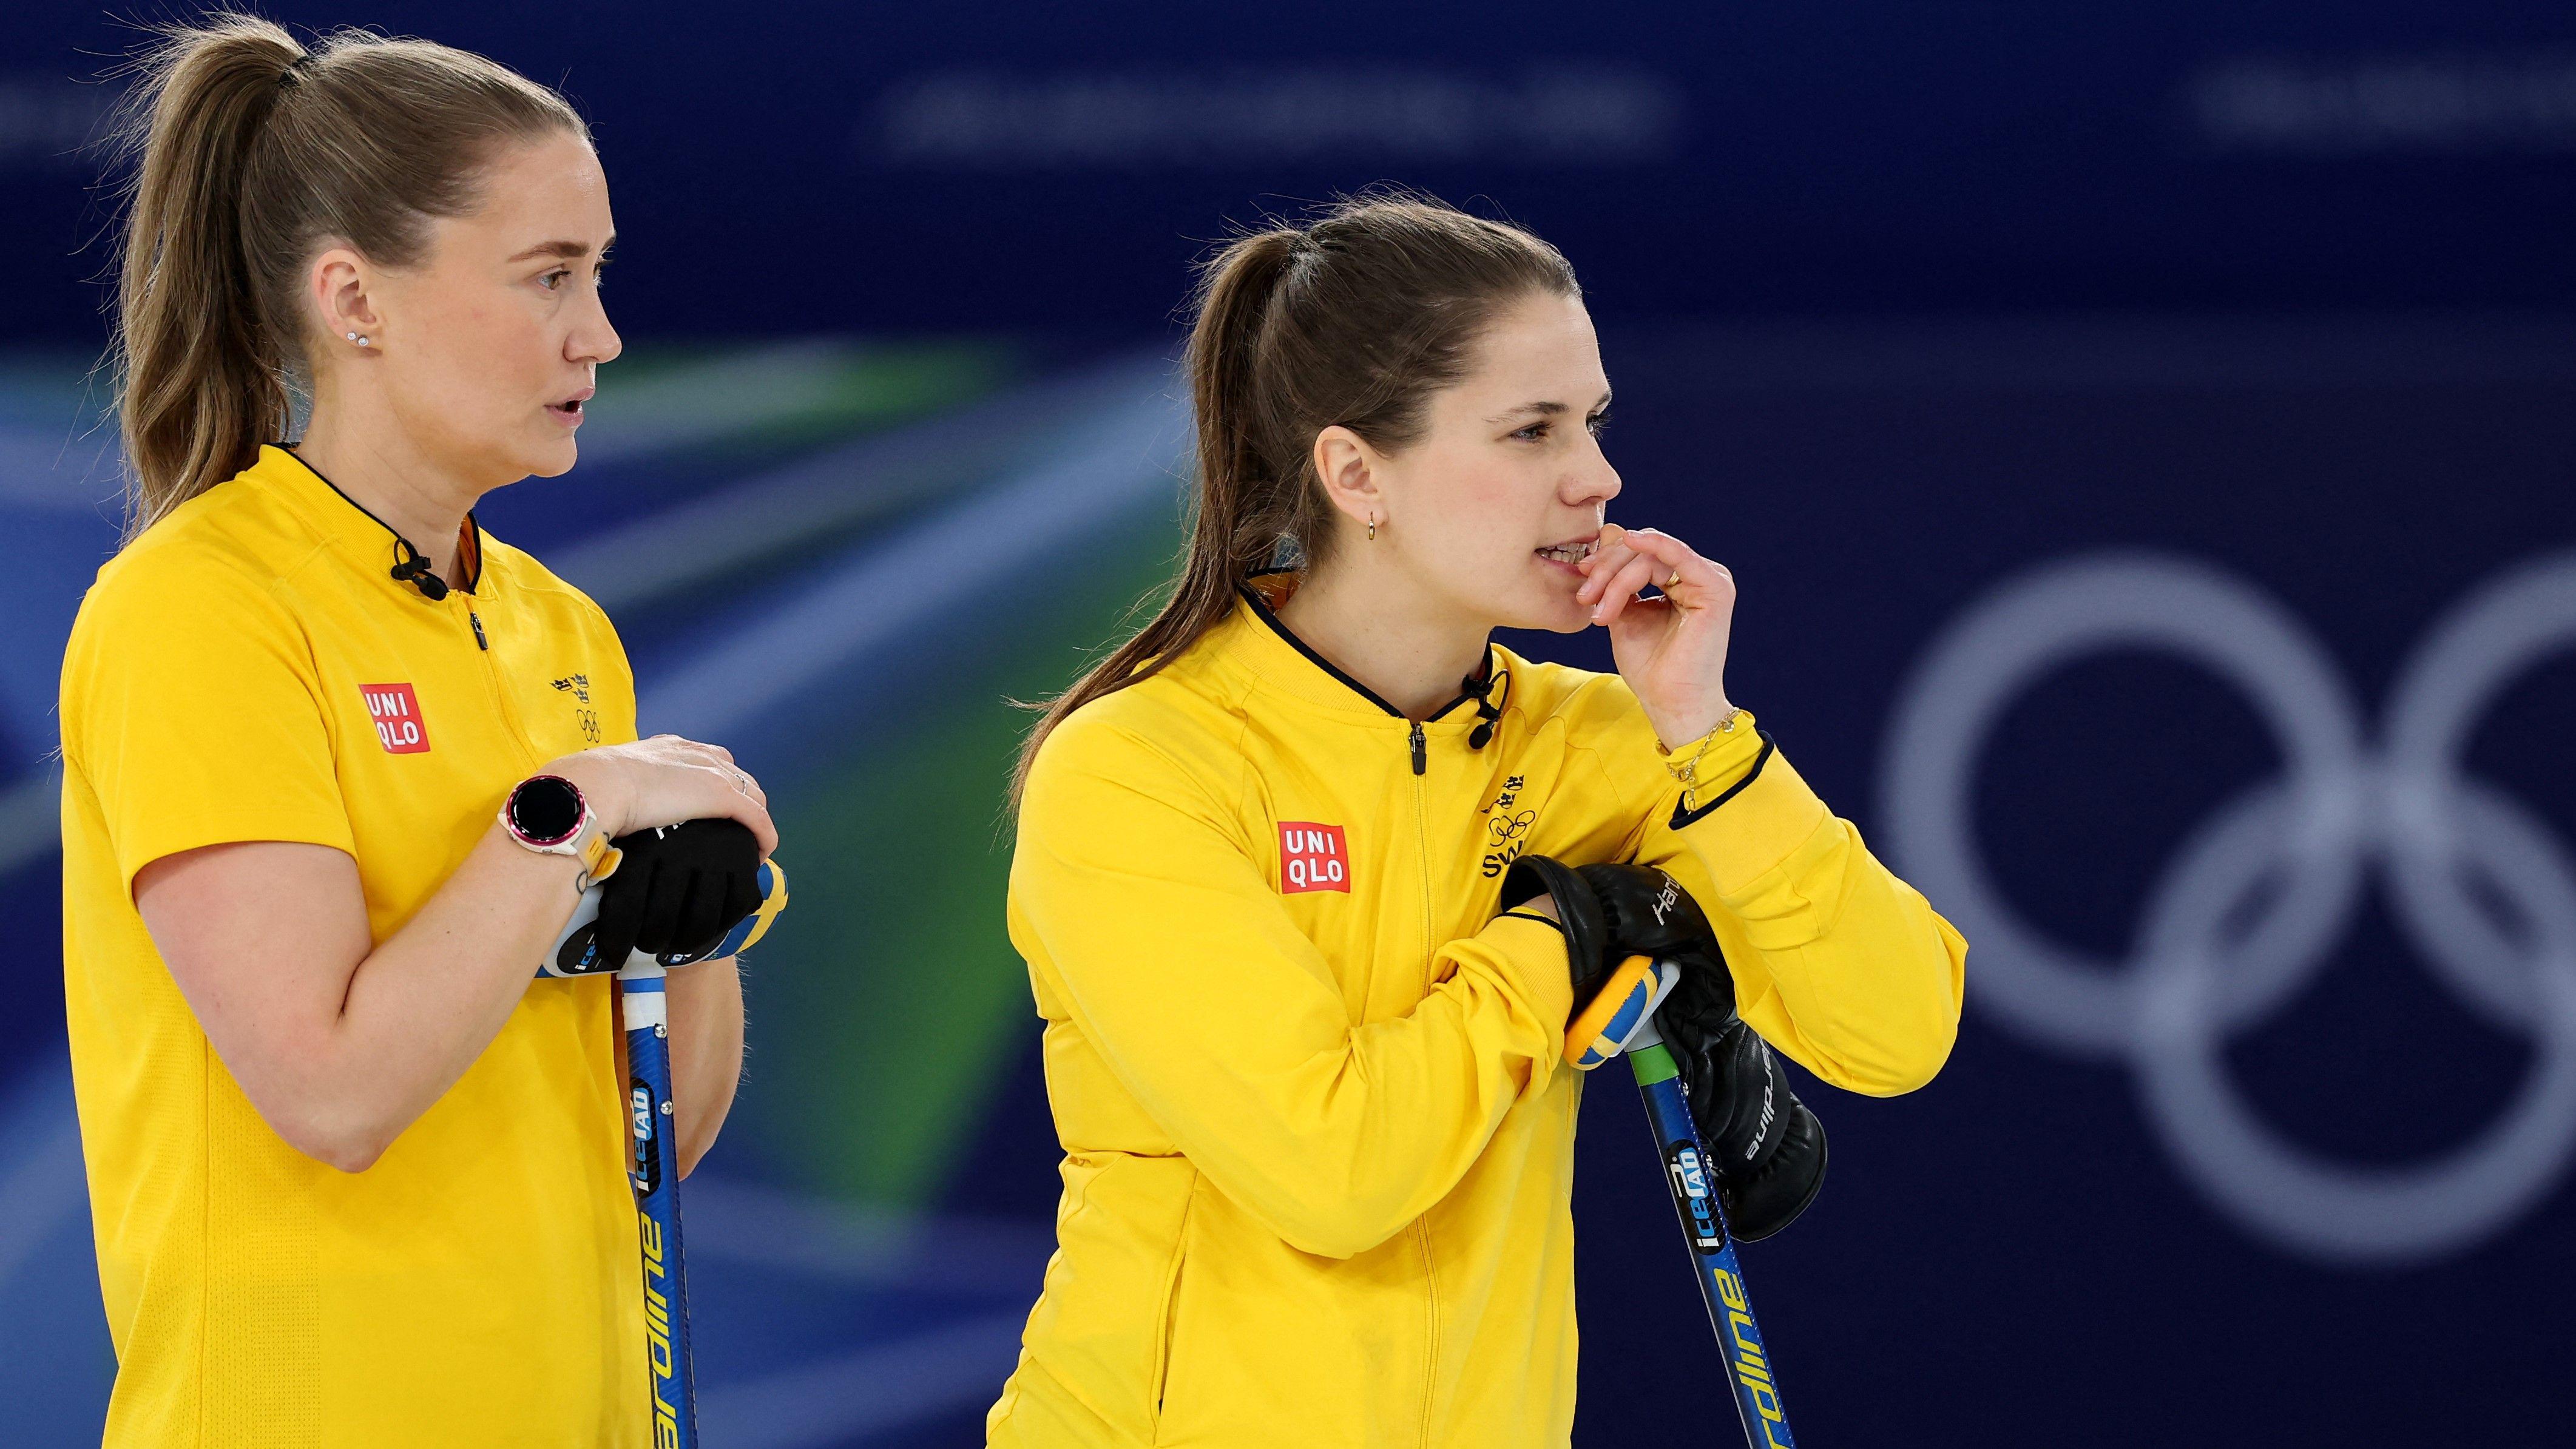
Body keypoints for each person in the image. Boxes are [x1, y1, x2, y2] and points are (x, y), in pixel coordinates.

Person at [990, 194, 1968, 1448]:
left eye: (1593, 423)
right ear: (1356, 474)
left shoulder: (1595, 743)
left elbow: (1895, 1031)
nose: (1596, 477)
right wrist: (1556, 946)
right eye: (1529, 431)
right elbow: (1332, 1174)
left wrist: (1705, 736)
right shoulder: (1137, 770)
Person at [59, 18, 772, 1444]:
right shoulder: (198, 609)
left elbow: (655, 1141)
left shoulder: (562, 631)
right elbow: (333, 1094)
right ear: (354, 300)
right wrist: (569, 818)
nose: (601, 333)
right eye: (549, 277)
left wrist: (699, 924)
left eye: (599, 274)